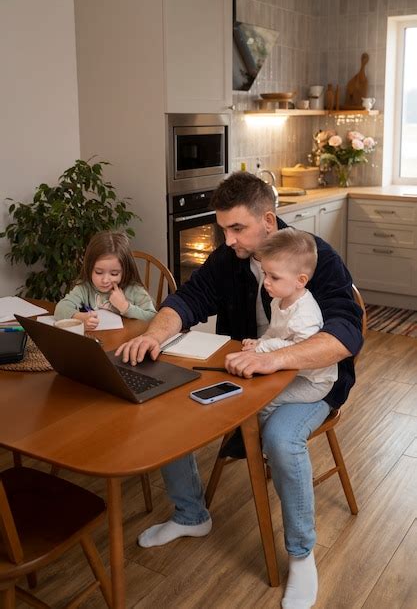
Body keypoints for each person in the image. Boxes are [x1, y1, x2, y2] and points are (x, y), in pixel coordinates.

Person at [115, 172, 363, 609]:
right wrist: (155, 335)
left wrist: (272, 359)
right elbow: (187, 300)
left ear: (268, 220)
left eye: (237, 228)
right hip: (247, 369)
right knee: (168, 405)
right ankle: (192, 515)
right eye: (223, 228)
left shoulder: (315, 256)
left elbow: (346, 332)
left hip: (308, 381)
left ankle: (302, 556)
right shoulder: (229, 258)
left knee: (281, 440)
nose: (227, 239)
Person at [242, 228, 338, 426]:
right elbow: (274, 331)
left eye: (274, 277)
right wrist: (260, 342)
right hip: (291, 371)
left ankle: (258, 448)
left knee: (264, 401)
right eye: (264, 274)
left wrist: (264, 348)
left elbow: (300, 350)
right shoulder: (278, 300)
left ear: (300, 280)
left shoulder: (305, 315)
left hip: (313, 381)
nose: (266, 282)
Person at [55, 231, 156, 330]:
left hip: (126, 343)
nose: (105, 280)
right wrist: (79, 317)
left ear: (125, 271)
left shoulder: (134, 290)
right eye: (98, 272)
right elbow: (60, 309)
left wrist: (125, 307)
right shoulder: (85, 287)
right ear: (89, 268)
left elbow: (153, 318)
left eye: (114, 274)